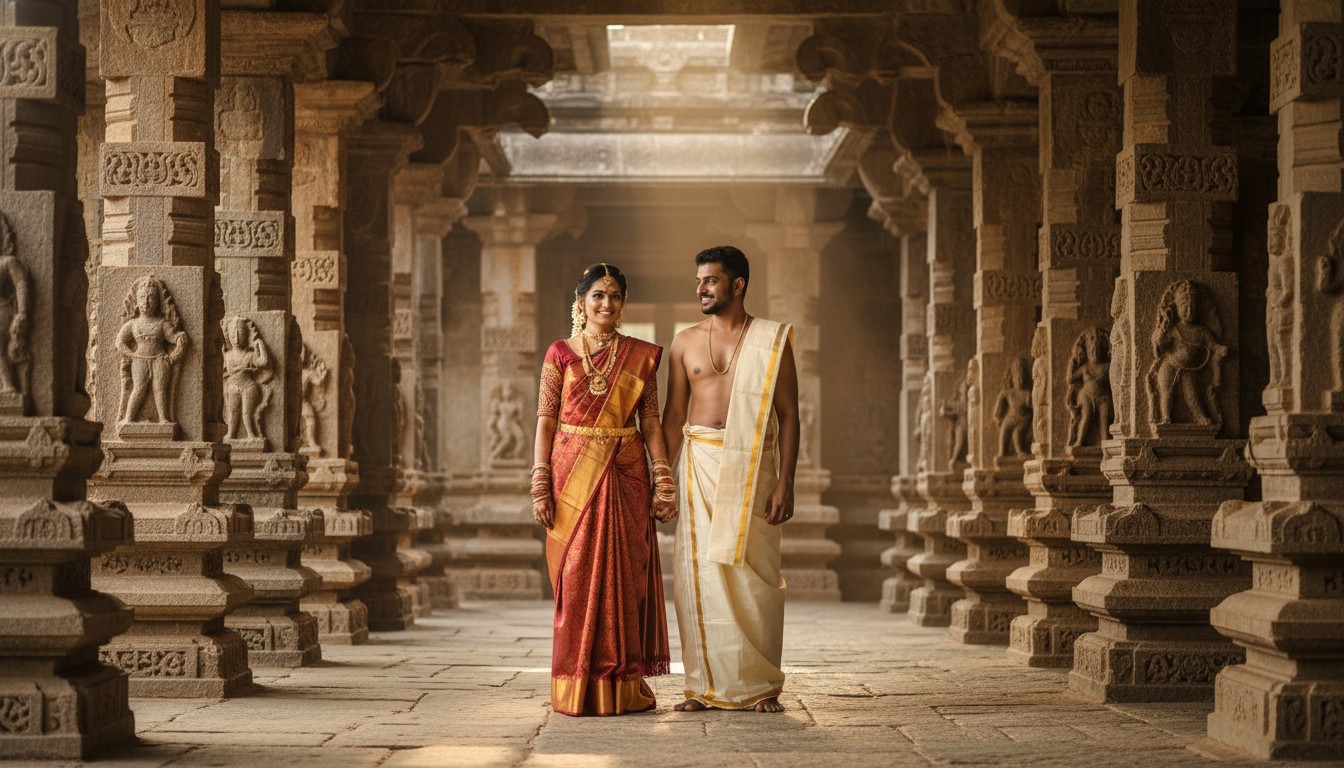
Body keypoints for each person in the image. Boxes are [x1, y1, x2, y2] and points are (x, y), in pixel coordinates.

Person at [531, 262, 676, 717]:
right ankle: (575, 686)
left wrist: (663, 476)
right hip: (571, 474)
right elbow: (546, 422)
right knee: (575, 576)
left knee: (625, 579)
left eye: (614, 296)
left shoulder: (640, 356)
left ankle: (623, 685)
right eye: (597, 295)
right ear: (581, 302)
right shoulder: (559, 353)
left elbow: (650, 421)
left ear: (623, 303)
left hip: (626, 473)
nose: (606, 303)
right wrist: (539, 480)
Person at [662, 245, 800, 714]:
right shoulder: (684, 342)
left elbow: (789, 414)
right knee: (698, 576)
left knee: (752, 577)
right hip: (698, 464)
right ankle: (701, 685)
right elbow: (673, 416)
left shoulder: (771, 340)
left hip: (755, 467)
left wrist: (786, 483)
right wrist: (661, 477)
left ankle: (759, 685)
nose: (701, 288)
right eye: (699, 281)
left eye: (711, 280)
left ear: (737, 285)